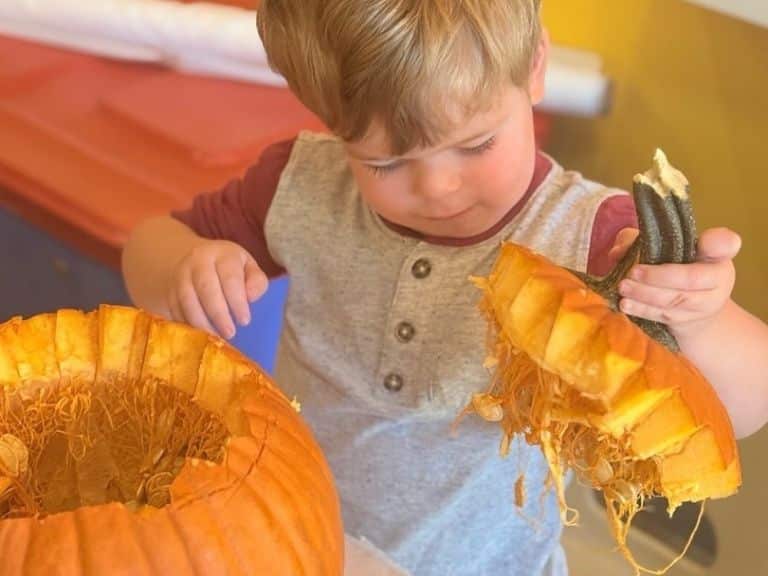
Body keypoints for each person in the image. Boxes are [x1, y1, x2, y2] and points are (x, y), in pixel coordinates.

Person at [121, 1, 768, 574]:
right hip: (303, 540)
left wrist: (702, 321)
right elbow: (150, 242)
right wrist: (180, 266)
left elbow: (739, 411)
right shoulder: (297, 183)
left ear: (535, 68)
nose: (437, 187)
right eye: (385, 163)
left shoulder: (595, 238)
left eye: (476, 144)